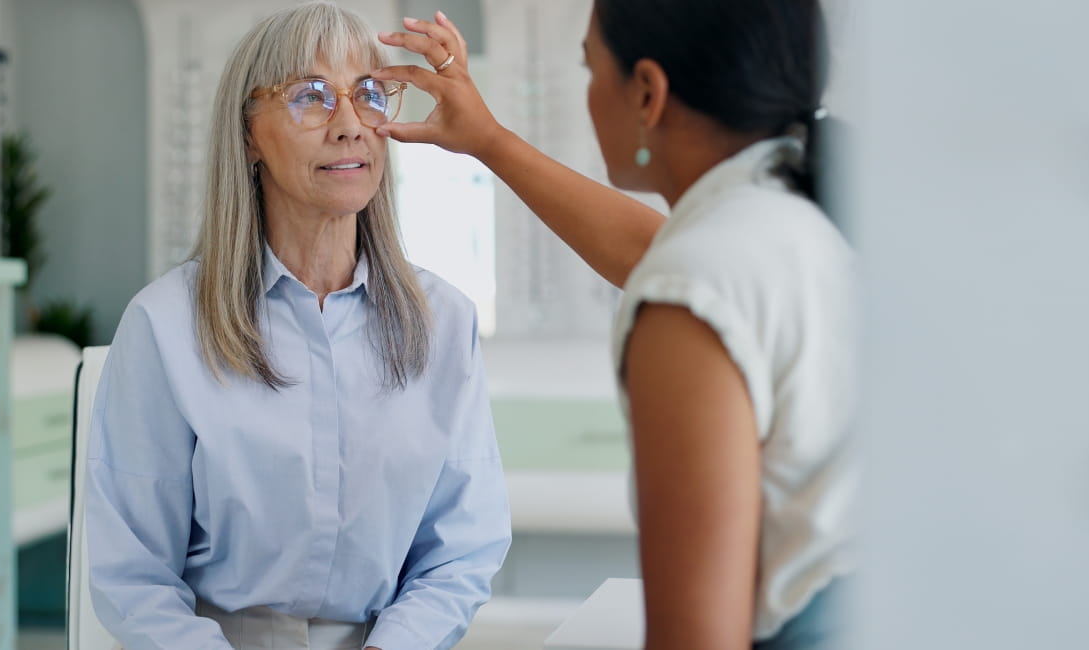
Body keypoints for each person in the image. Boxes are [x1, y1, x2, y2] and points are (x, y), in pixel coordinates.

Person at [374, 2, 856, 649]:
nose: (590, 94)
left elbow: (696, 639)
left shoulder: (693, 295)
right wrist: (486, 139)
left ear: (648, 93)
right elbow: (654, 249)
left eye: (590, 69)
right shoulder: (813, 216)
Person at [85, 3, 511, 649]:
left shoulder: (443, 321)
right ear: (249, 134)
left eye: (368, 94)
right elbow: (134, 576)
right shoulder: (164, 324)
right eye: (310, 96)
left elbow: (461, 550)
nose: (349, 127)